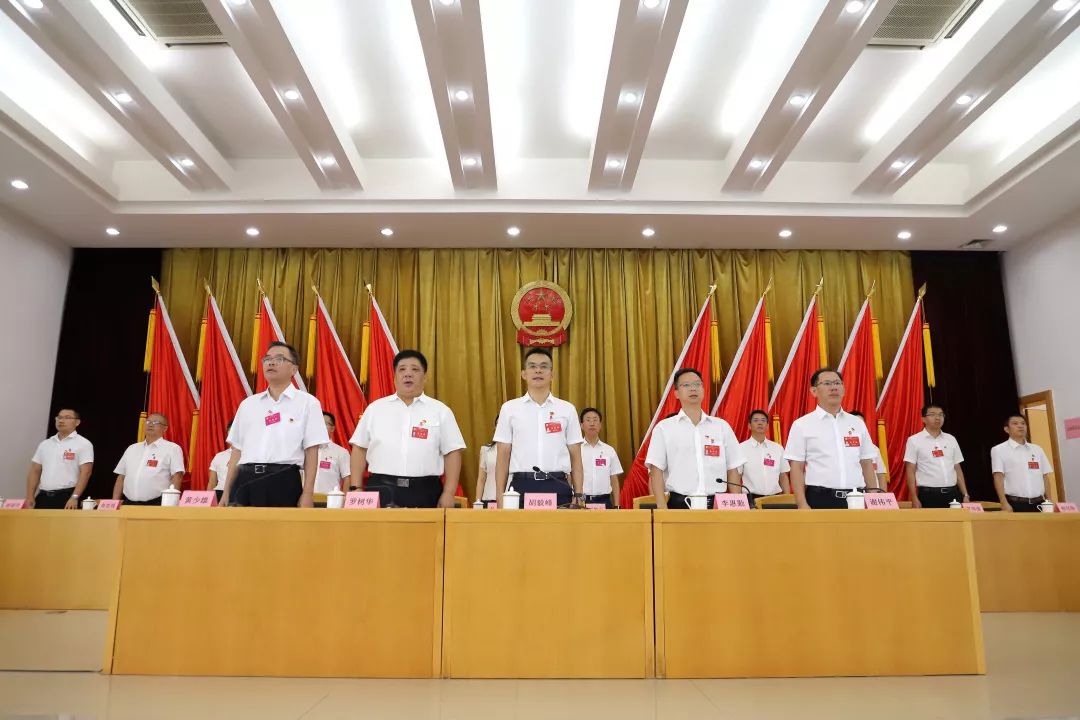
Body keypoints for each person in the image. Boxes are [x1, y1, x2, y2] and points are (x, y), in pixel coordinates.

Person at [350, 350, 465, 508]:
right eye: (402, 369)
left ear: (425, 377)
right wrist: (356, 488)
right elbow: (359, 448)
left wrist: (449, 492)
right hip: (380, 488)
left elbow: (452, 452)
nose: (408, 374)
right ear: (395, 377)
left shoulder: (440, 411)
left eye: (415, 369)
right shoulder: (375, 409)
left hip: (425, 490)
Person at [221, 341, 329, 507]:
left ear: (294, 369)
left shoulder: (308, 403)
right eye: (267, 359)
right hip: (244, 479)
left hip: (283, 480)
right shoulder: (248, 404)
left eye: (279, 359)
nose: (271, 363)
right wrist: (226, 492)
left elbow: (311, 451)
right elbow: (237, 451)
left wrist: (308, 493)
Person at [494, 348, 584, 508]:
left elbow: (576, 457)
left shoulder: (567, 409)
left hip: (558, 485)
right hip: (521, 487)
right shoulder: (509, 409)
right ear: (523, 374)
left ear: (552, 374)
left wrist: (578, 493)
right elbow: (502, 456)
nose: (538, 370)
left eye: (544, 366)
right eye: (532, 366)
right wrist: (500, 496)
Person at [646, 368, 744, 509]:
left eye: (697, 384)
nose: (693, 388)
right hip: (679, 505)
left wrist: (737, 508)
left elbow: (733, 469)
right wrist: (662, 509)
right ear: (676, 393)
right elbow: (656, 471)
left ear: (703, 390)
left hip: (717, 506)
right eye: (686, 385)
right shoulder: (664, 428)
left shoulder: (721, 427)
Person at [784, 368, 880, 509]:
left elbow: (866, 463)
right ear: (814, 391)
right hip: (820, 498)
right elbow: (796, 467)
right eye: (827, 383)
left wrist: (873, 498)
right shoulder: (802, 425)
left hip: (856, 498)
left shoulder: (857, 423)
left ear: (843, 389)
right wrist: (801, 503)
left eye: (837, 383)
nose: (834, 387)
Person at [26, 408, 93, 509]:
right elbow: (35, 471)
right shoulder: (45, 444)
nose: (61, 420)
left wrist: (74, 497)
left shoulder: (83, 444)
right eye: (59, 417)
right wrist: (30, 496)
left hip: (67, 496)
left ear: (77, 422)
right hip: (43, 496)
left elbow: (86, 472)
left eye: (67, 418)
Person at [111, 413, 185, 505]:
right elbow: (121, 477)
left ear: (165, 428)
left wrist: (171, 504)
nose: (150, 425)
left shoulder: (172, 448)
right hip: (129, 503)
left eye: (155, 422)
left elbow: (177, 476)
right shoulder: (132, 448)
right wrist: (114, 503)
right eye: (148, 422)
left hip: (156, 504)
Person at [904, 404, 969, 508]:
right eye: (932, 414)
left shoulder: (951, 439)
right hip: (929, 495)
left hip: (953, 494)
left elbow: (957, 468)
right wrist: (914, 497)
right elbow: (910, 470)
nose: (937, 418)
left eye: (940, 414)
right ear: (923, 419)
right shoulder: (914, 440)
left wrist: (965, 494)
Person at [991, 414, 1053, 513]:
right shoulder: (999, 450)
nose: (1020, 426)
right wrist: (1004, 503)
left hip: (1039, 503)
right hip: (1016, 503)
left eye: (1023, 423)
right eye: (1015, 423)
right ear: (1007, 429)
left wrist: (1049, 501)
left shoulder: (1037, 449)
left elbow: (1045, 476)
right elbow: (998, 477)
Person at [738, 409, 790, 507]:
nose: (760, 423)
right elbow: (737, 477)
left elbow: (783, 477)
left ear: (767, 426)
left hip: (775, 499)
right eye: (756, 420)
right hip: (751, 500)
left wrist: (788, 499)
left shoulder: (777, 448)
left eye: (763, 420)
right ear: (749, 426)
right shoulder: (741, 448)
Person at [579, 407, 624, 508]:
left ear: (600, 425)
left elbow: (614, 479)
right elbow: (570, 476)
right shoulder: (576, 450)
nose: (592, 423)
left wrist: (617, 505)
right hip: (581, 501)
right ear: (581, 425)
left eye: (595, 420)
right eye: (588, 420)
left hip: (604, 501)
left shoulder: (609, 450)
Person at [849, 411, 889, 491]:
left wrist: (882, 495)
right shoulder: (842, 448)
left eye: (861, 424)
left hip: (873, 493)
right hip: (852, 493)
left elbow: (881, 474)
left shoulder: (874, 449)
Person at [313, 412, 352, 494]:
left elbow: (347, 478)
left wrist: (344, 499)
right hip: (305, 499)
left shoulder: (341, 452)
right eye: (319, 423)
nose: (321, 426)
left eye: (325, 423)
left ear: (332, 428)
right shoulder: (305, 450)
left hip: (330, 500)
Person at [475, 416, 499, 504]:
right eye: (498, 424)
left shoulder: (516, 451)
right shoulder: (486, 450)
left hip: (510, 499)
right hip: (489, 498)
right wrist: (478, 503)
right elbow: (481, 479)